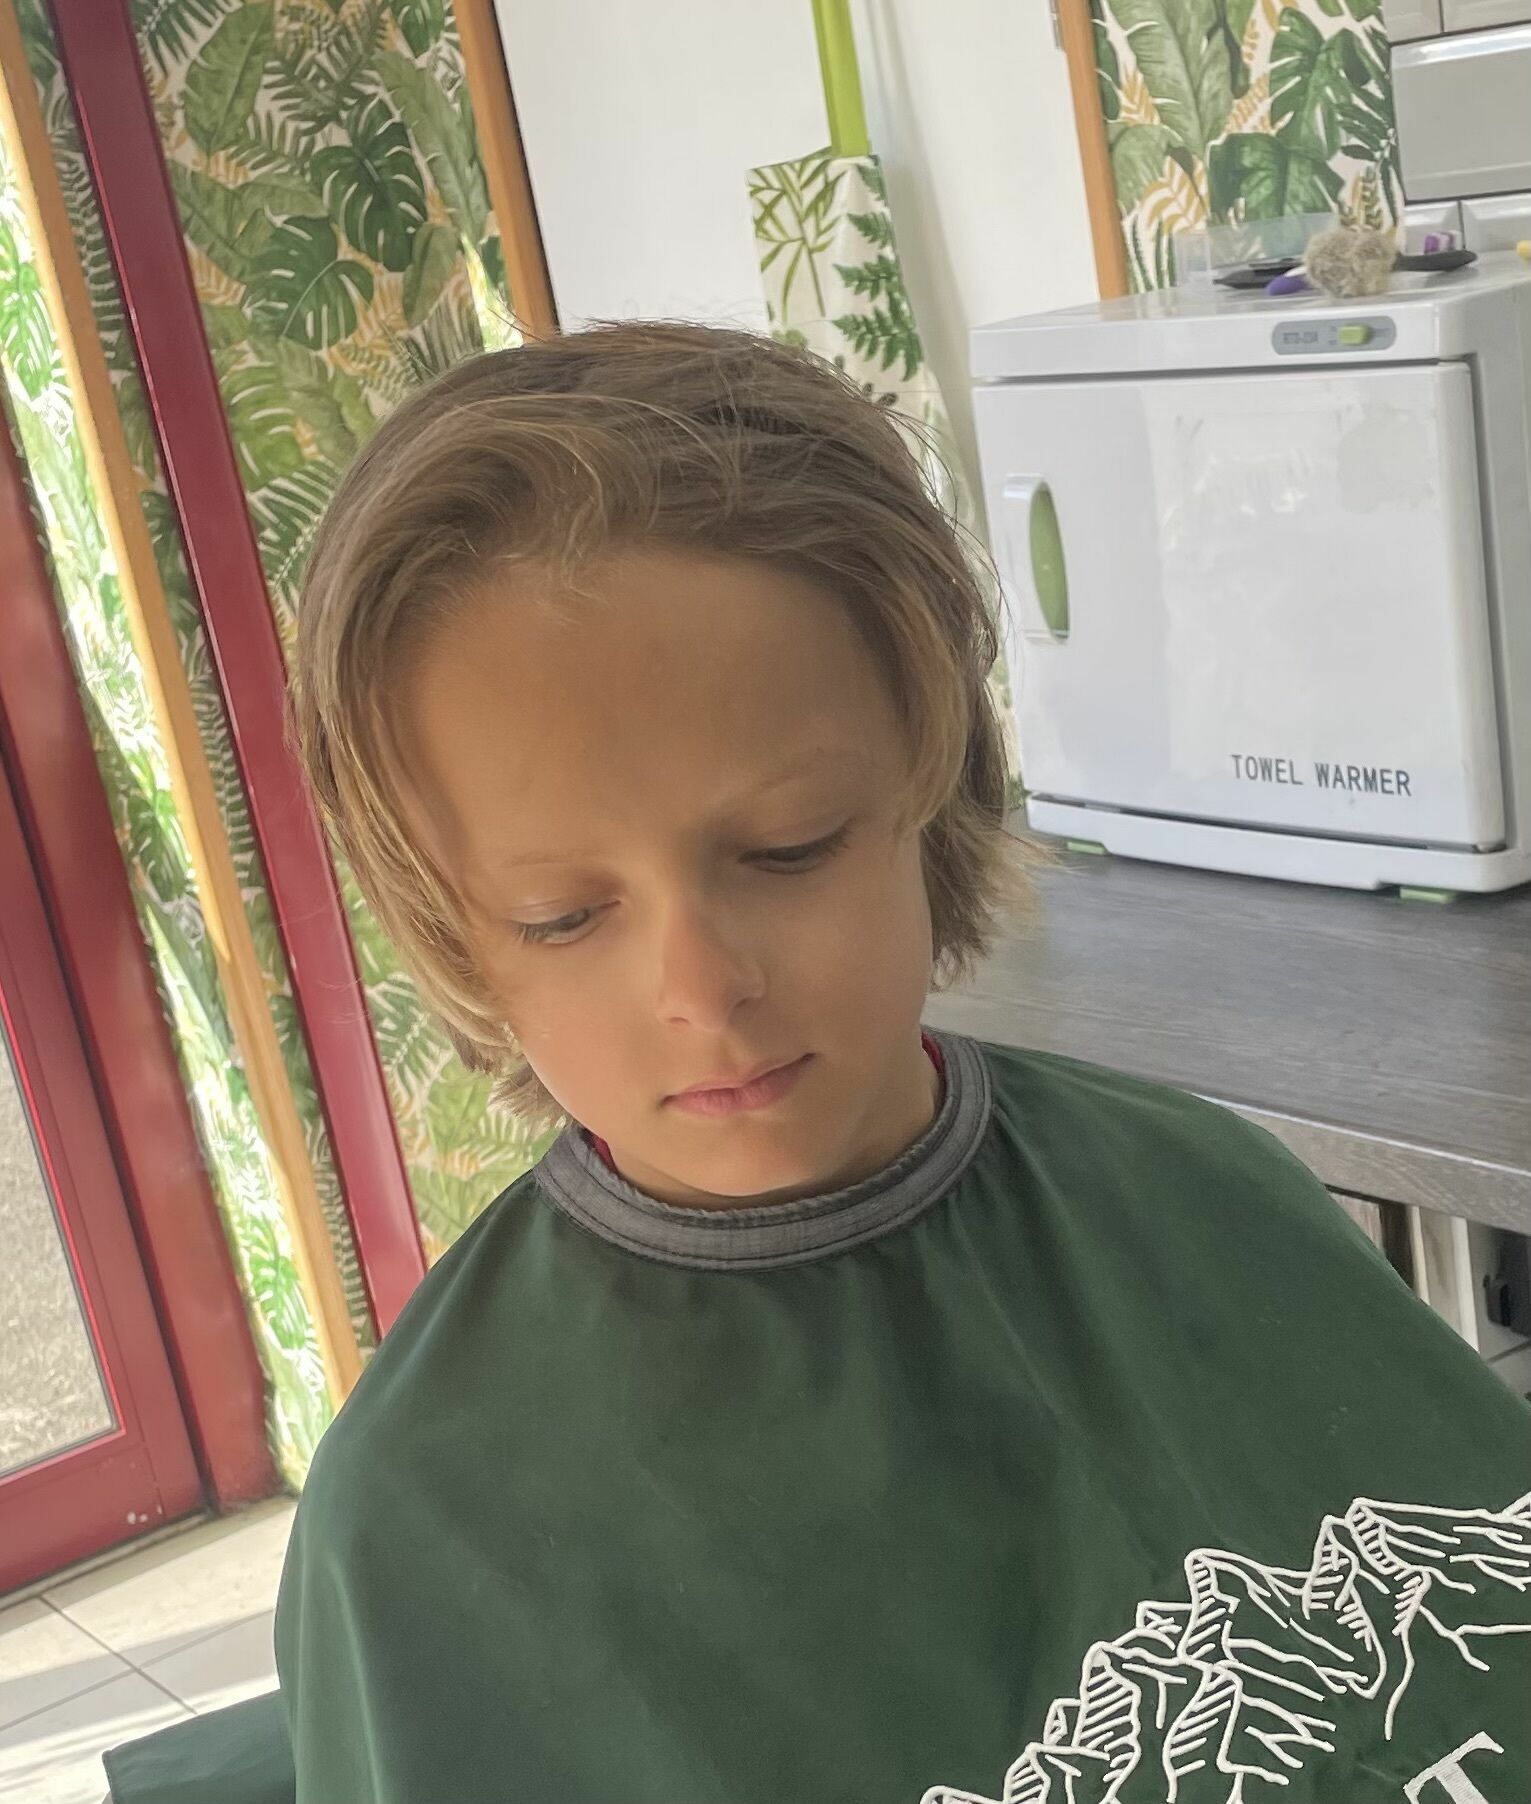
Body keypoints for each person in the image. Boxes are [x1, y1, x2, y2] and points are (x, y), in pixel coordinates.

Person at [104, 323, 1530, 1804]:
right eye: (564, 915)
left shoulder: (1206, 1190)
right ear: (456, 934)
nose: (703, 990)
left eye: (789, 848)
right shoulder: (426, 1521)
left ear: (929, 770)